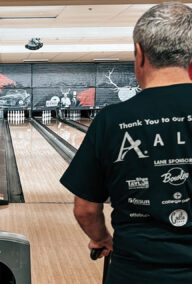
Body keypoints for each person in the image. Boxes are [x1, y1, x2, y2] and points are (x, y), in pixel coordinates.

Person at [60, 3, 192, 283]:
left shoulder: (112, 120)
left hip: (136, 270)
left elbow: (85, 209)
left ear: (140, 54)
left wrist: (101, 239)